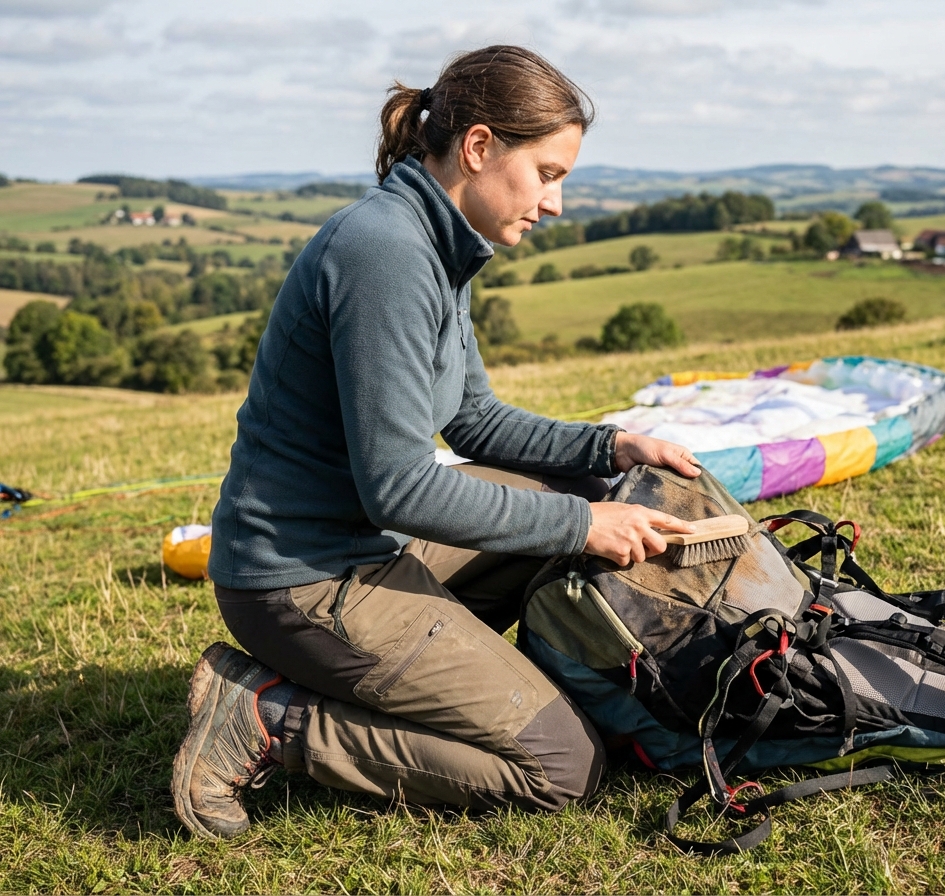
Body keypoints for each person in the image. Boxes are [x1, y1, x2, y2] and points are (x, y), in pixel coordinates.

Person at [171, 45, 701, 840]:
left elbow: (476, 422)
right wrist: (586, 526)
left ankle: (437, 676)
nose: (556, 204)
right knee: (562, 767)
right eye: (548, 174)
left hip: (360, 549)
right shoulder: (385, 254)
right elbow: (401, 487)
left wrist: (611, 450)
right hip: (301, 582)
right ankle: (266, 717)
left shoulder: (435, 243)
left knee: (574, 500)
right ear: (480, 147)